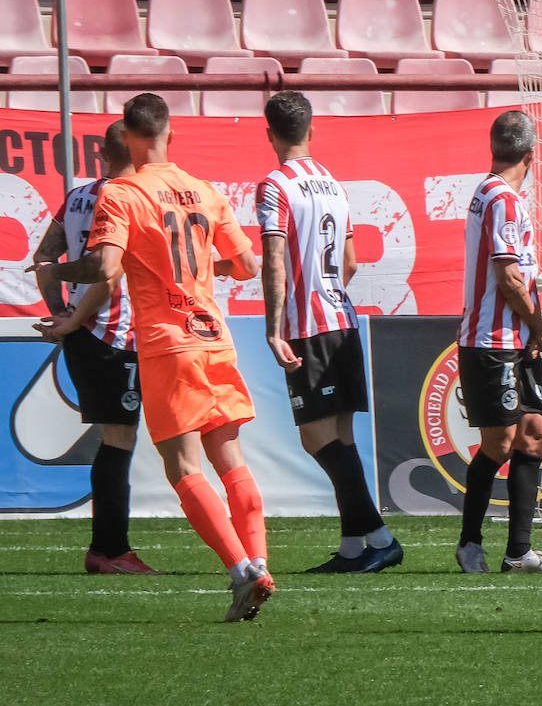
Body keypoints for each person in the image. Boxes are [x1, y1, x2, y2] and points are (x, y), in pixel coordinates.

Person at [31, 94, 273, 621]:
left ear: (128, 136)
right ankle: (259, 560)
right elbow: (248, 264)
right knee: (230, 457)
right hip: (214, 337)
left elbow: (104, 268)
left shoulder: (121, 193)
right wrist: (202, 271)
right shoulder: (206, 191)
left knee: (182, 465)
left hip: (167, 343)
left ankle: (240, 571)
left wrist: (56, 274)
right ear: (169, 134)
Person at [256, 91, 402, 574]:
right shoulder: (333, 184)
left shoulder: (275, 186)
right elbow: (353, 260)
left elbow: (275, 259)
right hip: (343, 318)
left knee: (317, 439)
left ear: (271, 132)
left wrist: (274, 326)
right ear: (311, 130)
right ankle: (353, 548)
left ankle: (380, 538)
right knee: (340, 437)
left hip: (308, 326)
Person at [30, 121, 156, 575]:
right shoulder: (130, 196)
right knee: (119, 438)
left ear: (101, 151)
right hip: (114, 332)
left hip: (86, 331)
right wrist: (76, 319)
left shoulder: (79, 195)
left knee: (116, 436)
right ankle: (109, 550)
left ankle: (109, 547)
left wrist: (62, 315)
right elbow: (111, 272)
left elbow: (44, 258)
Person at [453, 110, 542, 575]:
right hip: (491, 340)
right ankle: (470, 543)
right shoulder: (502, 198)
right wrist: (540, 321)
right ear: (530, 156)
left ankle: (519, 552)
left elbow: (513, 272)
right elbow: (507, 278)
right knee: (500, 444)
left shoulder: (489, 193)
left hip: (514, 340)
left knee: (534, 435)